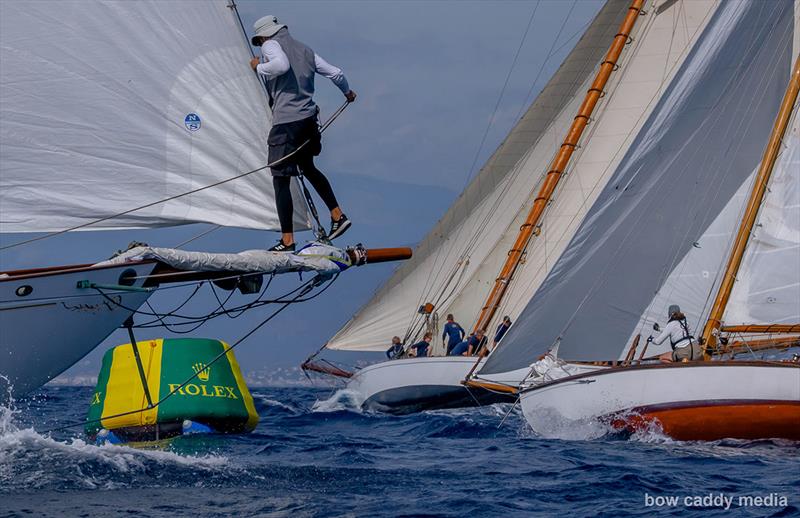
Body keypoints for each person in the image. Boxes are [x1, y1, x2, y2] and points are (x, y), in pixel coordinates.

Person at [249, 15, 356, 252]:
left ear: (264, 35)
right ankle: (337, 215)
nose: (261, 46)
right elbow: (336, 73)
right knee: (308, 168)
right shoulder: (305, 49)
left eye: (259, 41)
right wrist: (347, 93)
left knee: (280, 179)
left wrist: (259, 66)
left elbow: (281, 66)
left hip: (287, 124)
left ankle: (287, 241)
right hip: (308, 122)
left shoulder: (269, 45)